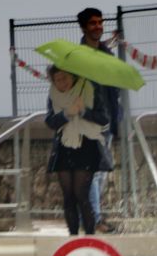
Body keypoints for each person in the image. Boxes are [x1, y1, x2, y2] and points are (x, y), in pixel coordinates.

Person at [44, 65, 112, 236]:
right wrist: (67, 114)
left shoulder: (89, 89)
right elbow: (50, 121)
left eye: (65, 78)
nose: (62, 83)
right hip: (64, 147)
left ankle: (89, 236)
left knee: (81, 195)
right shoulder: (54, 95)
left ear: (73, 77)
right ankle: (72, 237)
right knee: (68, 197)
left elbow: (104, 119)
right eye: (57, 80)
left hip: (86, 145)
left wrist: (83, 111)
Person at [77, 7, 123, 233]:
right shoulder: (78, 57)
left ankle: (88, 213)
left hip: (107, 121)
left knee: (101, 174)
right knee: (93, 172)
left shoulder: (106, 54)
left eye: (100, 22)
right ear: (84, 27)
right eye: (93, 23)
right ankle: (94, 219)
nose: (98, 26)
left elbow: (114, 90)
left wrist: (117, 120)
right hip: (88, 121)